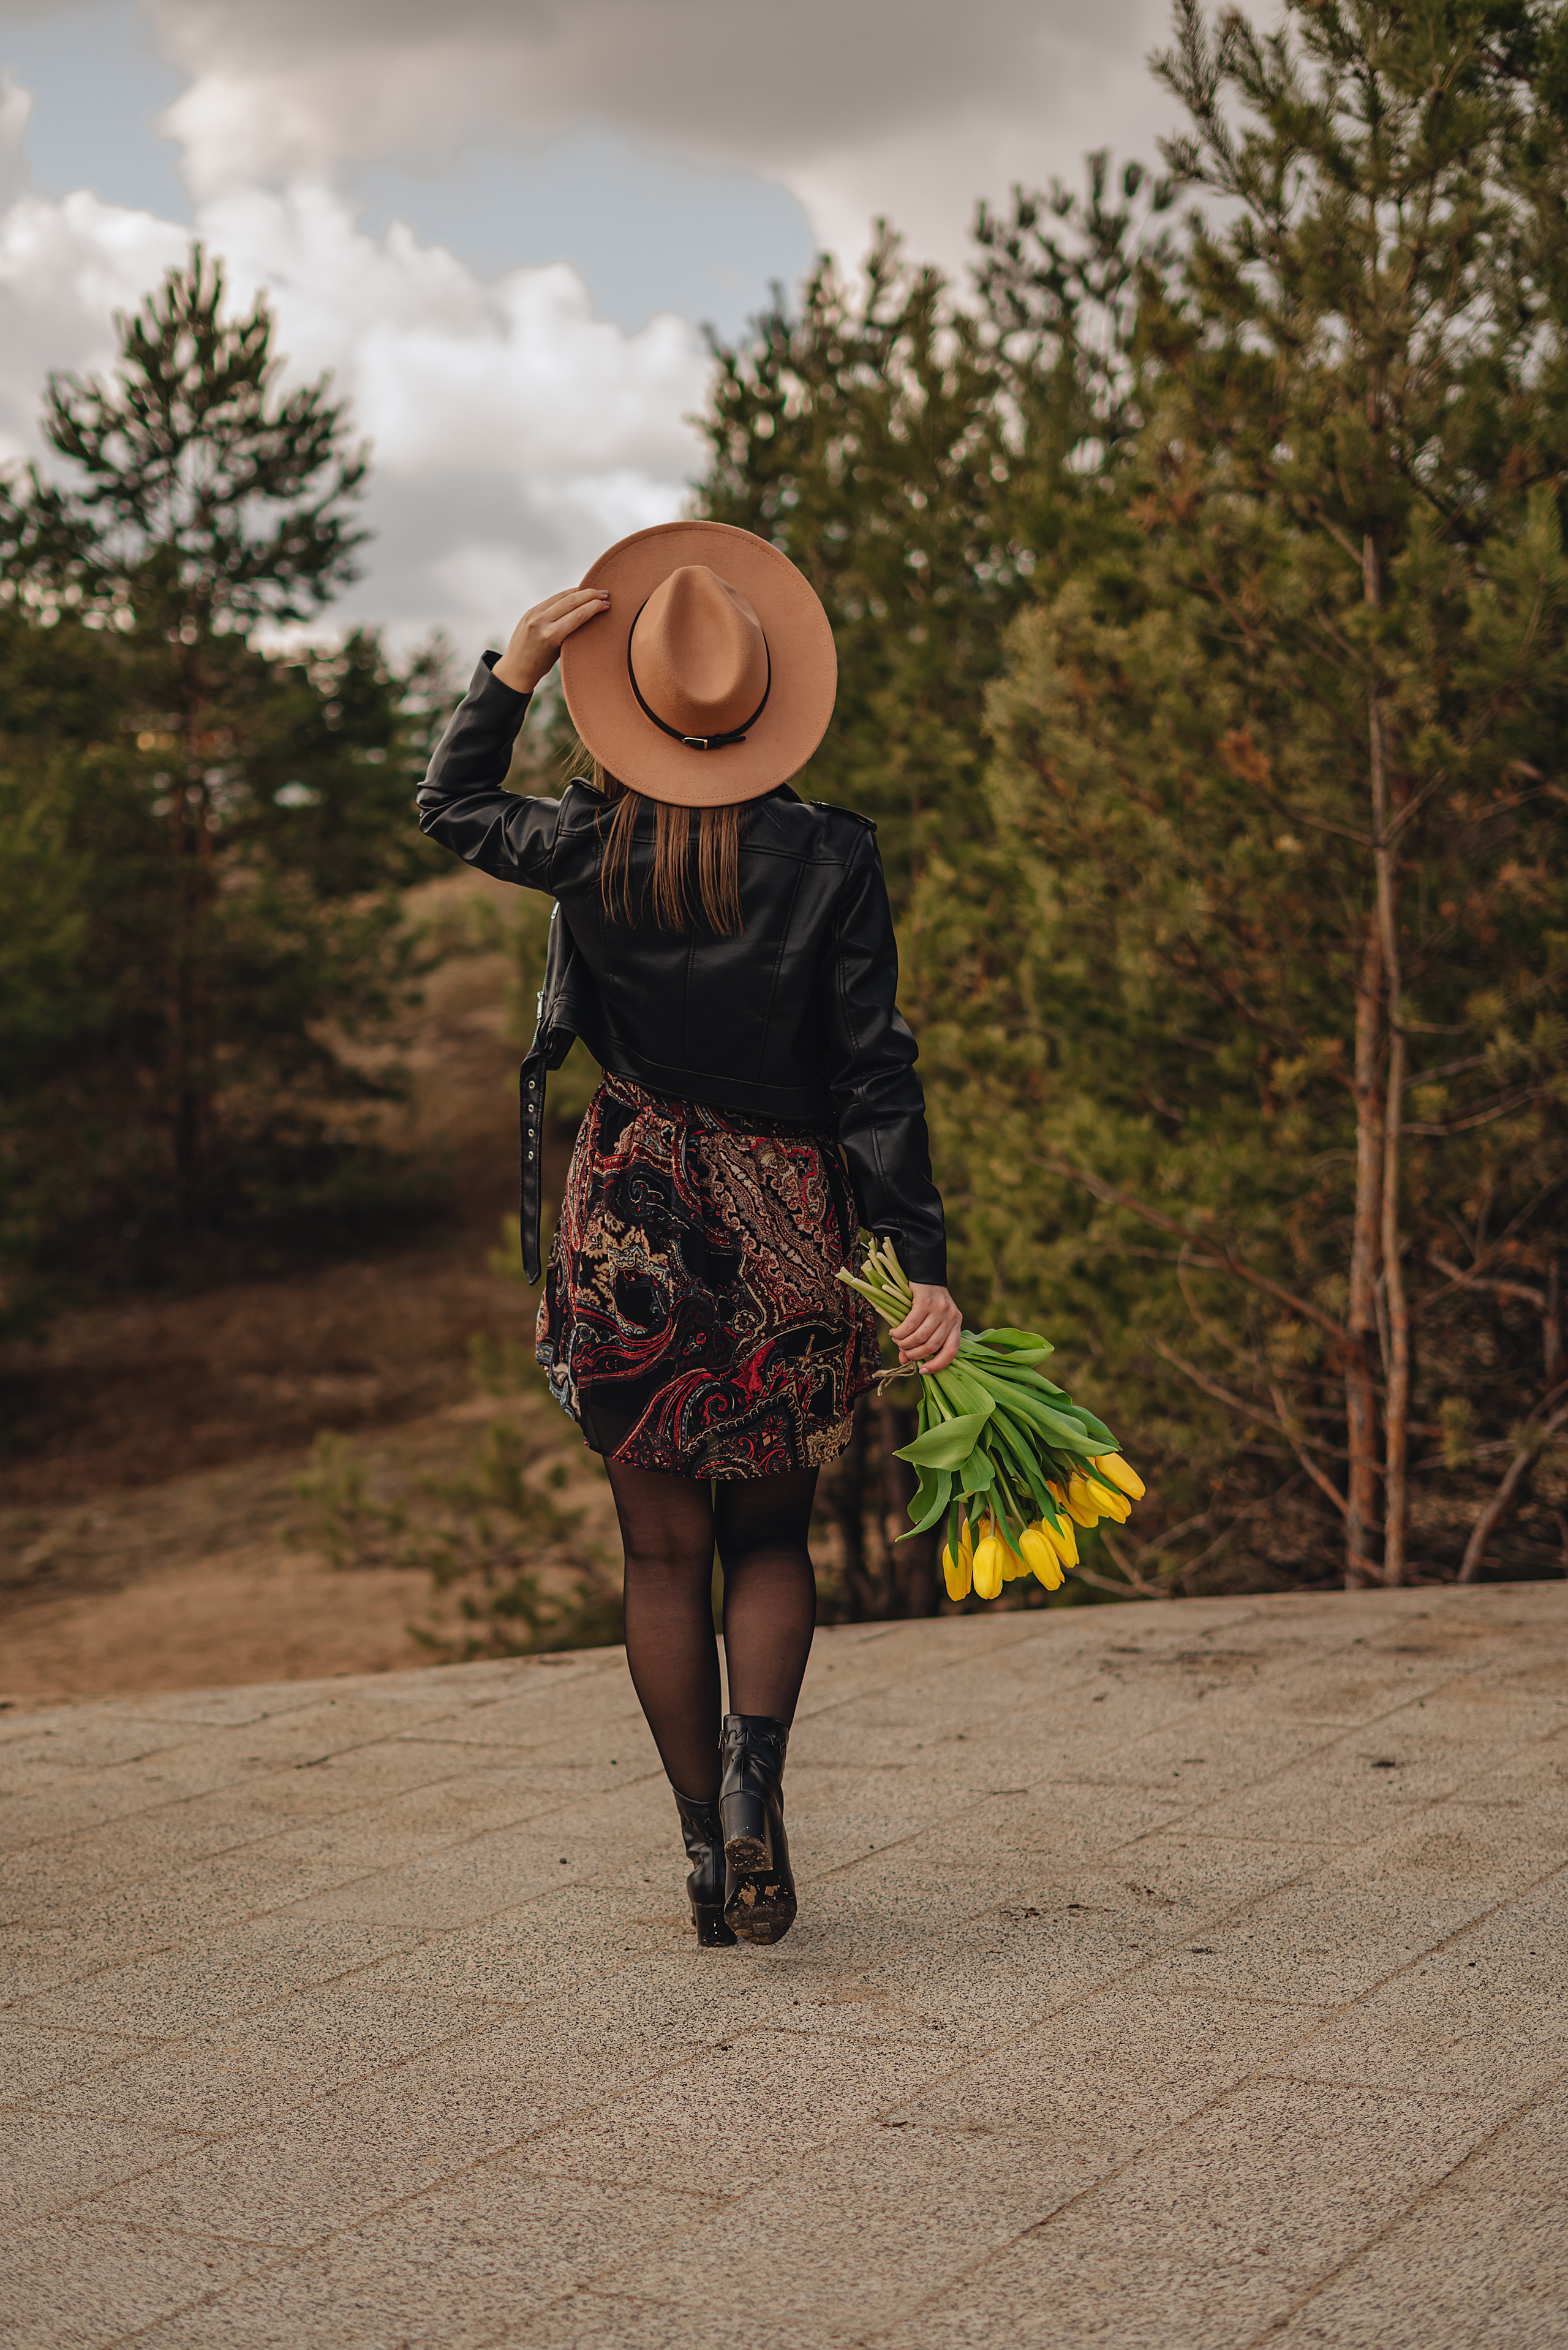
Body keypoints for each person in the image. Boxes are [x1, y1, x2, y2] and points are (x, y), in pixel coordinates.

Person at [417, 521, 959, 1948]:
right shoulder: (834, 857)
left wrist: (515, 666)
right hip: (789, 1213)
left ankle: (703, 1857)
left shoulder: (587, 843)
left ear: (634, 702)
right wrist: (922, 1256)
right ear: (767, 696)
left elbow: (451, 803)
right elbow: (871, 1071)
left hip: (635, 1216)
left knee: (661, 1554)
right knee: (768, 1529)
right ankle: (754, 1779)